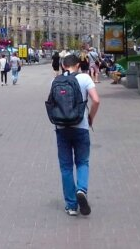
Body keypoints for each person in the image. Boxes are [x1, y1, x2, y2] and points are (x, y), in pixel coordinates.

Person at [54, 54, 100, 216]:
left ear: (63, 66)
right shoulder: (85, 78)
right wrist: (90, 118)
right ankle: (81, 189)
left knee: (66, 167)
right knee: (82, 162)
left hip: (61, 128)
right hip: (81, 127)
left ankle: (71, 205)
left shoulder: (56, 80)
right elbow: (96, 100)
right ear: (78, 65)